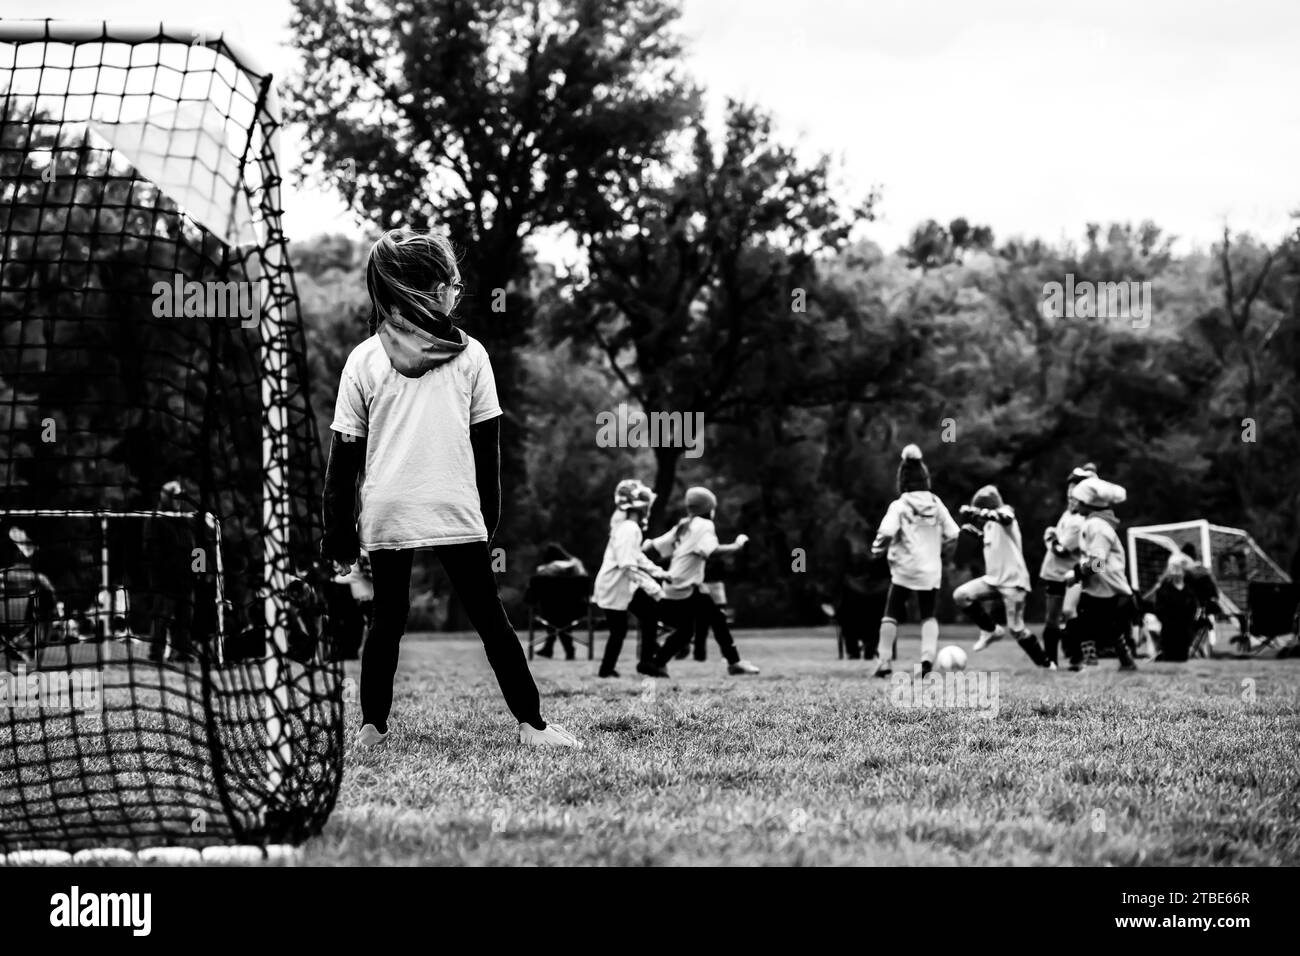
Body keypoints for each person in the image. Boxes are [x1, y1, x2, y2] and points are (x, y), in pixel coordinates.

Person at [321, 226, 581, 749]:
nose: (455, 295)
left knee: (386, 621)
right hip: (453, 505)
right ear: (431, 289)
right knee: (490, 618)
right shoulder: (471, 355)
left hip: (387, 509)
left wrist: (338, 536)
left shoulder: (364, 359)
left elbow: (343, 458)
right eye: (453, 286)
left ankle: (372, 729)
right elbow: (489, 448)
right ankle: (533, 726)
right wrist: (490, 516)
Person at [636, 486, 760, 678]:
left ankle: (658, 663)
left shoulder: (683, 526)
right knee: (717, 619)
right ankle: (734, 663)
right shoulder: (704, 525)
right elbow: (711, 551)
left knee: (686, 631)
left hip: (671, 585)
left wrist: (640, 548)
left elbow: (654, 547)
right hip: (686, 585)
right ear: (709, 508)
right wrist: (737, 545)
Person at [869, 444, 959, 678]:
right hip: (930, 570)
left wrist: (877, 549)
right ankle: (927, 660)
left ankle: (885, 662)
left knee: (891, 613)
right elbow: (954, 533)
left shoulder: (900, 505)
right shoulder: (936, 503)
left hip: (905, 569)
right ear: (925, 478)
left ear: (903, 480)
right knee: (928, 614)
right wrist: (944, 554)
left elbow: (887, 532)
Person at [956, 486, 1049, 666]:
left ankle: (1046, 664)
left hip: (1014, 582)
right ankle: (990, 630)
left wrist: (975, 512)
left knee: (1016, 629)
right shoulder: (990, 525)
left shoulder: (1006, 514)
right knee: (961, 595)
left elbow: (1005, 516)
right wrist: (976, 534)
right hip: (993, 580)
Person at [592, 479, 668, 678]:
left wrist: (659, 572)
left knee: (643, 618)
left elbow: (637, 556)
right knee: (622, 629)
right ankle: (635, 664)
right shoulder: (629, 528)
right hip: (614, 586)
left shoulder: (628, 527)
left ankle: (639, 663)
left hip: (619, 585)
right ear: (640, 505)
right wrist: (653, 587)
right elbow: (627, 565)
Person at [1063, 476, 1137, 671]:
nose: (1073, 502)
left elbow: (1097, 564)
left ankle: (1090, 663)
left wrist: (1075, 575)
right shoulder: (1093, 523)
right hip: (1101, 588)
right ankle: (1127, 662)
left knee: (1085, 625)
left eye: (1077, 499)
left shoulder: (1097, 526)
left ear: (1088, 503)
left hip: (1108, 589)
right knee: (1108, 628)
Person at [1040, 463, 1097, 668]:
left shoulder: (1084, 523)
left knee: (1068, 613)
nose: (1071, 495)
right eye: (1070, 490)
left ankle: (1078, 658)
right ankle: (1057, 660)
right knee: (1058, 616)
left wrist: (1050, 537)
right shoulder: (1069, 515)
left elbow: (1061, 549)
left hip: (1072, 574)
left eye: (1075, 491)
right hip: (1060, 573)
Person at [146, 480, 197, 664]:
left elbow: (196, 547)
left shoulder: (185, 520)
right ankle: (156, 654)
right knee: (161, 618)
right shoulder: (155, 519)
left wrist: (198, 571)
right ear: (165, 497)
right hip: (165, 581)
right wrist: (160, 576)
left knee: (185, 619)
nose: (177, 501)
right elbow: (151, 552)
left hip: (186, 580)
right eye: (174, 497)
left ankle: (181, 652)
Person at [0, 527, 56, 664]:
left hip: (24, 612)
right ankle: (26, 652)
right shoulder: (35, 576)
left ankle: (24, 652)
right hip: (25, 613)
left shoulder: (31, 575)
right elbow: (49, 590)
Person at [534, 542, 588, 659]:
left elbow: (532, 594)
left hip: (550, 610)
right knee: (563, 620)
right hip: (576, 610)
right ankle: (565, 650)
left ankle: (551, 649)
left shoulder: (545, 570)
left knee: (555, 618)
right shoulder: (577, 566)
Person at [1144, 553, 1199, 661]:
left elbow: (1193, 608)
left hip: (1183, 630)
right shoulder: (1165, 590)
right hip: (1169, 629)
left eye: (1179, 570)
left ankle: (1124, 656)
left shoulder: (1189, 592)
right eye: (1174, 569)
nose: (1176, 573)